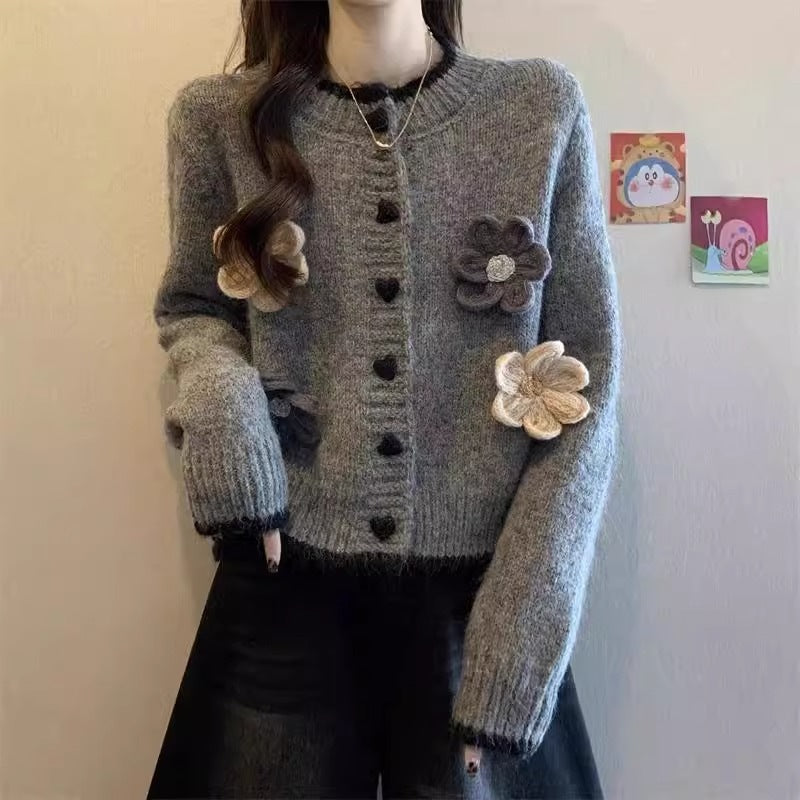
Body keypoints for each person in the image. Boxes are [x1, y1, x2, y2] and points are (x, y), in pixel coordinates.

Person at [146, 0, 620, 797]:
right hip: (284, 571)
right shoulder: (216, 119)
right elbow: (194, 308)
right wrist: (225, 399)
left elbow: (587, 380)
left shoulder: (538, 107)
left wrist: (525, 616)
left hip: (480, 597)